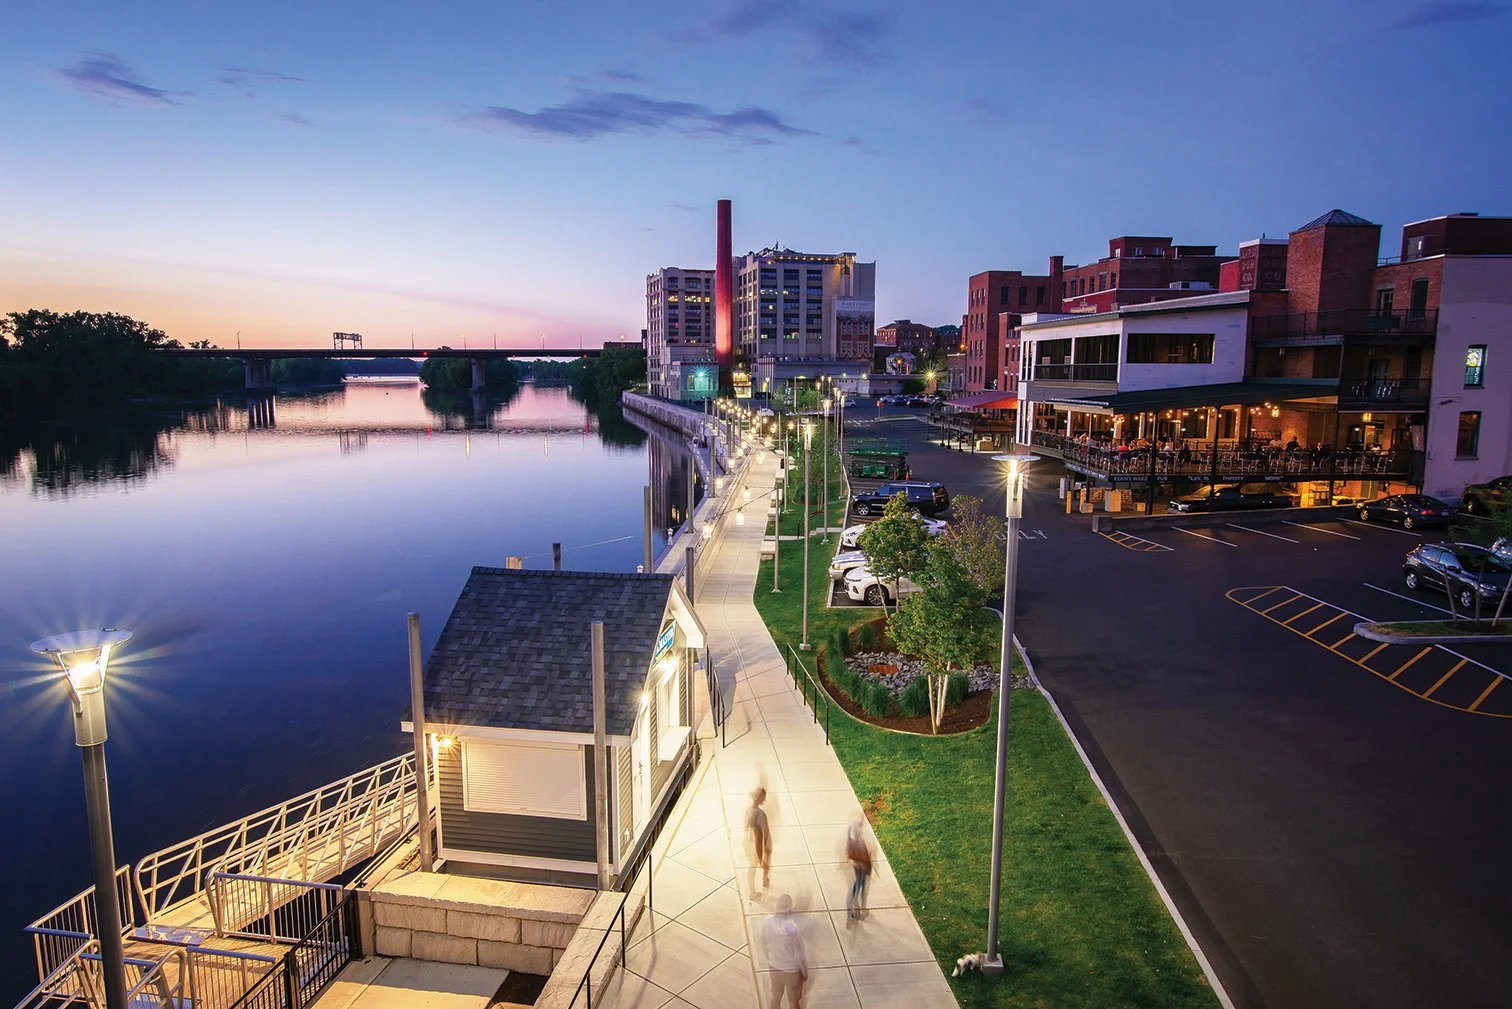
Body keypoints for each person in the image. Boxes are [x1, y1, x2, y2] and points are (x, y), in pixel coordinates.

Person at [764, 894, 807, 1008]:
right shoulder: (792, 928)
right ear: (790, 909)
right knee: (793, 1001)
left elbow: (763, 941)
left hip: (774, 966)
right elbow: (800, 953)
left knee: (775, 997)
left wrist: (769, 956)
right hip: (791, 970)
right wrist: (804, 971)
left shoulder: (767, 921)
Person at [845, 818, 873, 922]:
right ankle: (859, 908)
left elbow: (849, 849)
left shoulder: (851, 833)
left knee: (858, 883)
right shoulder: (863, 837)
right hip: (863, 865)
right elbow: (868, 851)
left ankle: (854, 907)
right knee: (863, 886)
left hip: (857, 864)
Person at [747, 787, 771, 894]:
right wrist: (761, 857)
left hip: (749, 844)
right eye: (763, 798)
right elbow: (759, 837)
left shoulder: (749, 810)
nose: (764, 800)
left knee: (751, 868)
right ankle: (763, 883)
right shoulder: (760, 814)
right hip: (758, 847)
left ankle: (752, 890)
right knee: (764, 865)